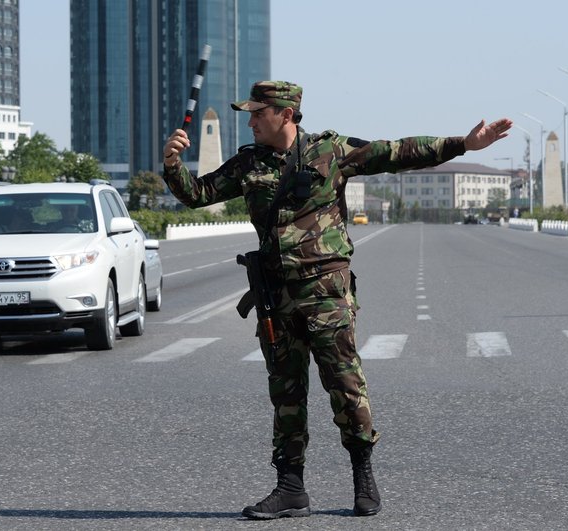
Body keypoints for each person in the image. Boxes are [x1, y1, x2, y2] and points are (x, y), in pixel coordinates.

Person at [161, 80, 511, 520]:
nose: (250, 121)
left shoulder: (330, 152)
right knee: (285, 393)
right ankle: (290, 489)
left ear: (285, 115)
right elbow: (199, 194)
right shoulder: (249, 164)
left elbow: (397, 152)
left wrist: (464, 144)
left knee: (346, 388)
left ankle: (363, 479)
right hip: (276, 296)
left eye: (257, 113)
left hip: (326, 293)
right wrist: (172, 163)